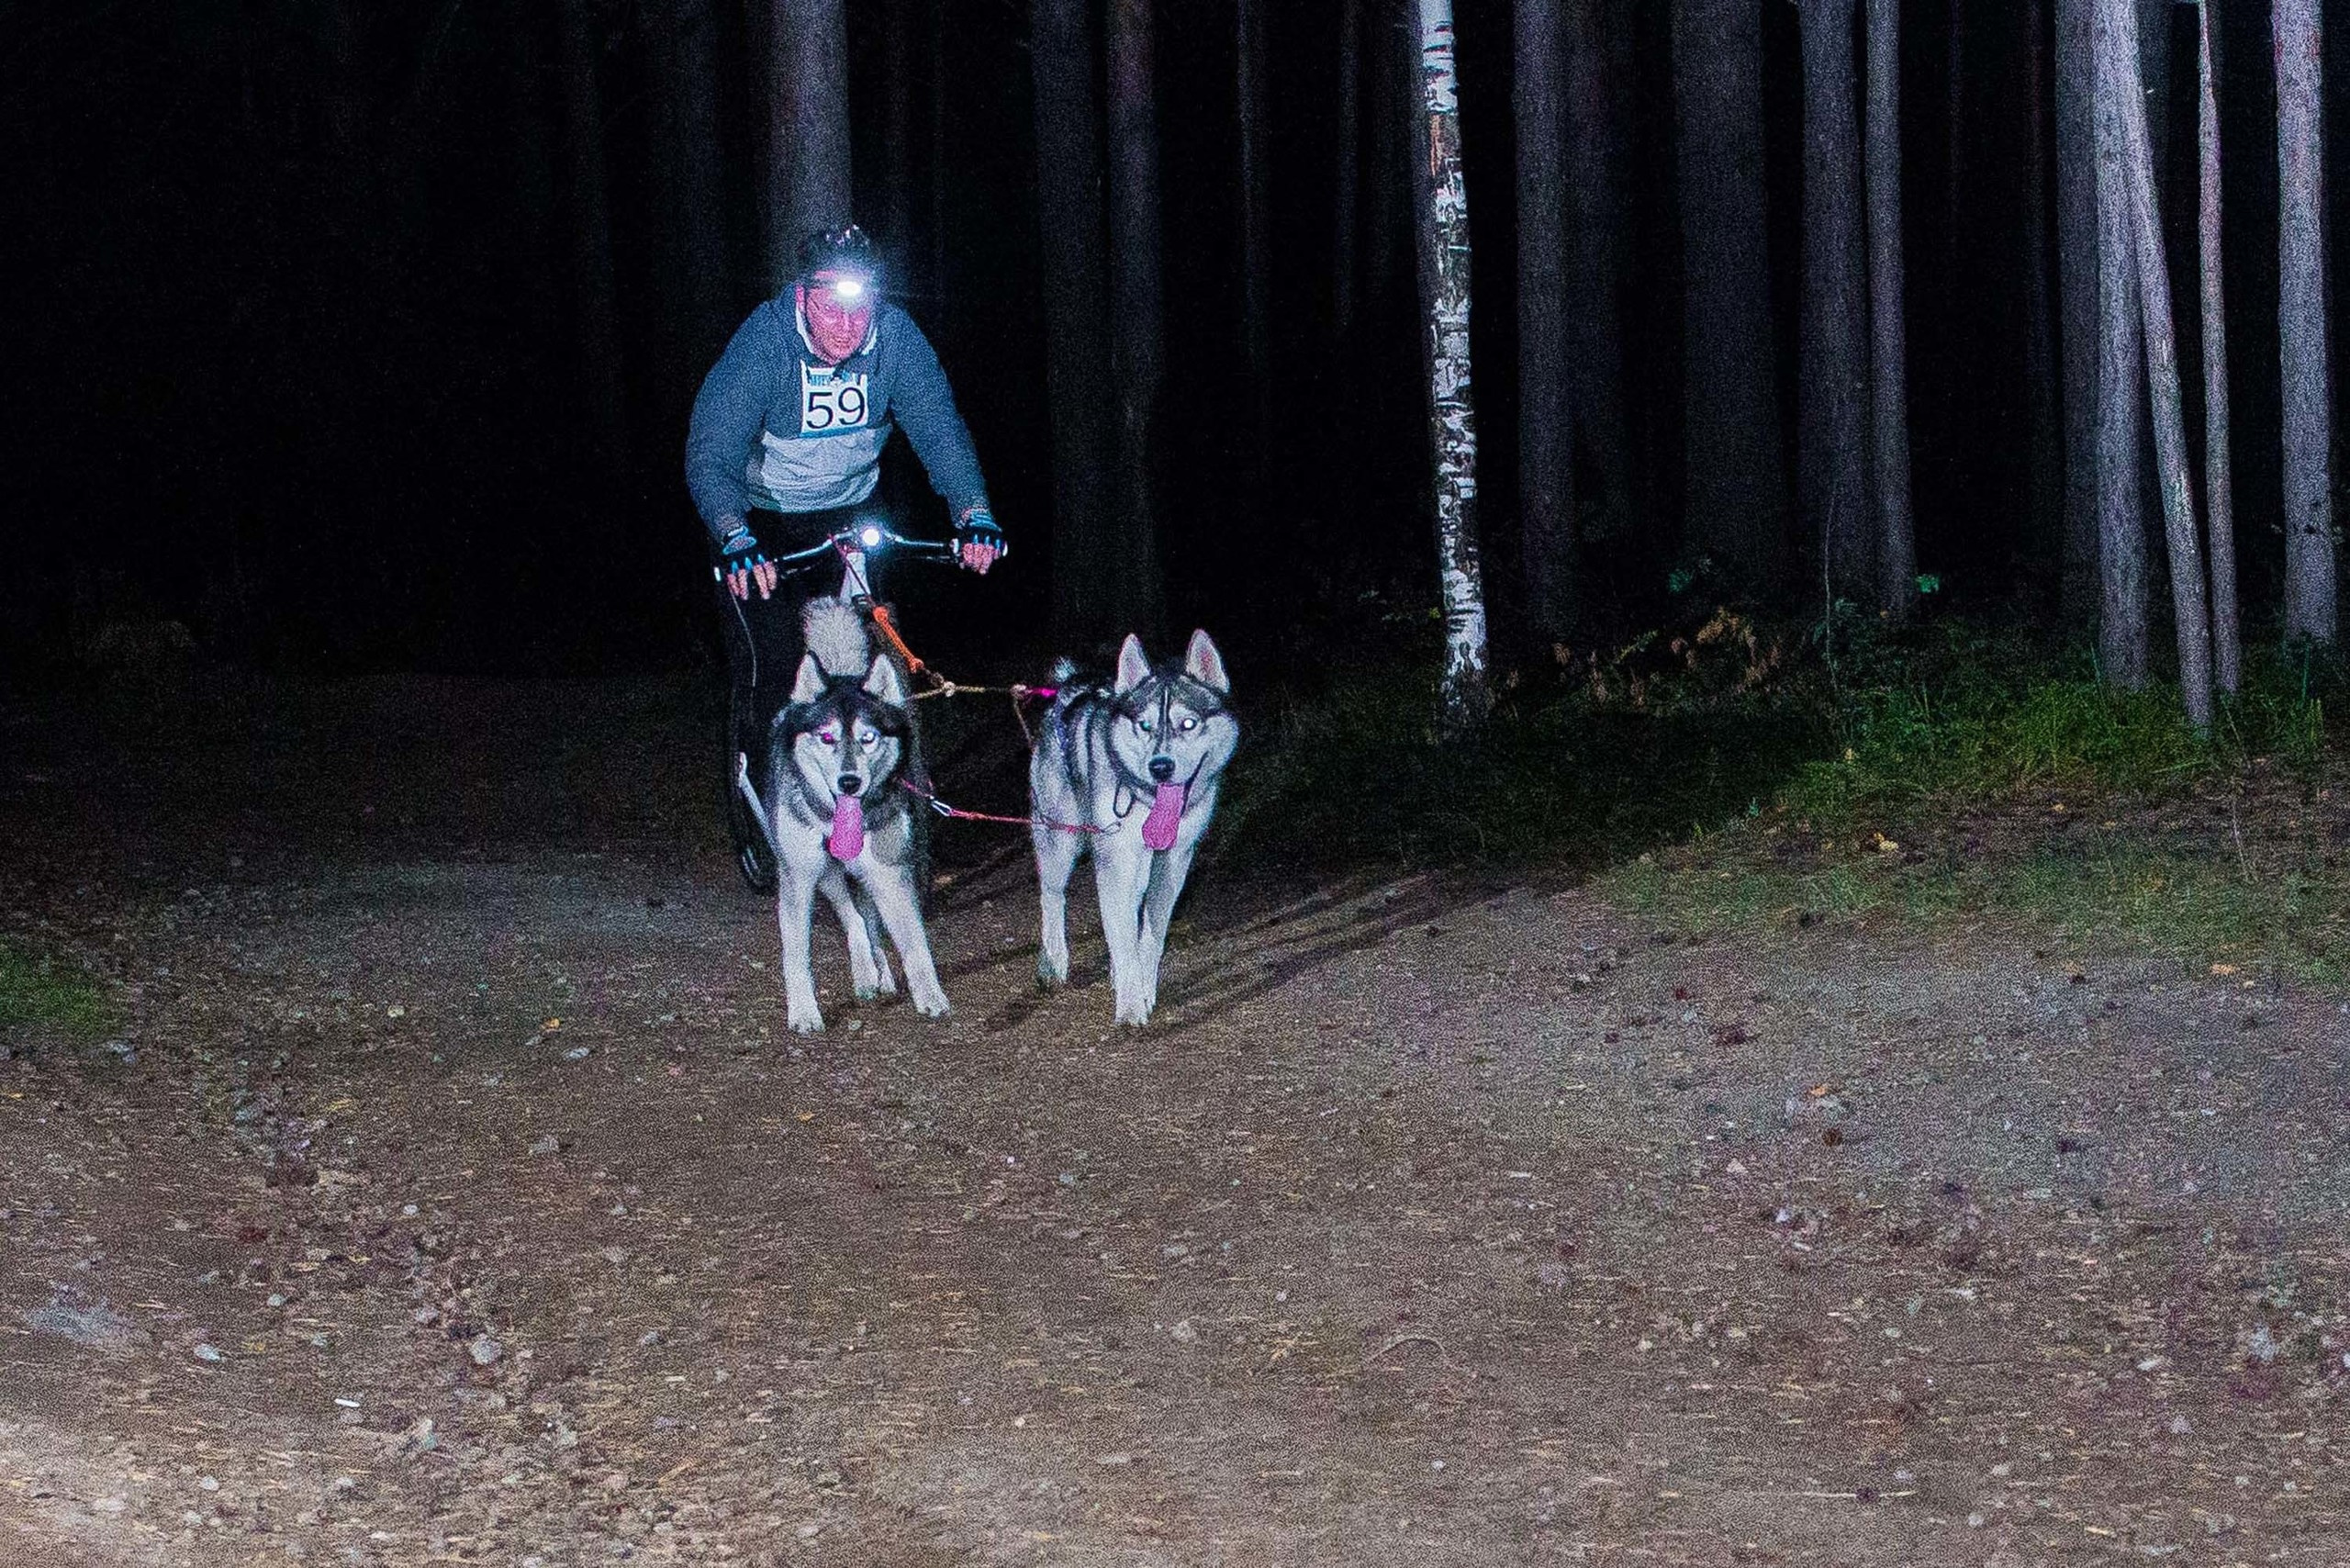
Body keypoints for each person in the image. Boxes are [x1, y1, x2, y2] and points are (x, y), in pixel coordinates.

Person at [686, 224, 1003, 889]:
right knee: (774, 675)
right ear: (802, 296)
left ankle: (886, 835)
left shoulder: (896, 340)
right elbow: (709, 456)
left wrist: (973, 513)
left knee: (873, 674)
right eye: (830, 305)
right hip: (761, 526)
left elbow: (939, 429)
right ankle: (769, 834)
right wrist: (734, 536)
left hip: (848, 517)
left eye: (861, 306)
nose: (847, 324)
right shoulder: (764, 346)